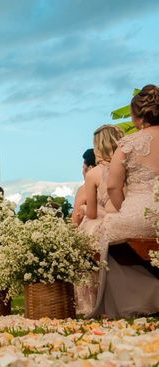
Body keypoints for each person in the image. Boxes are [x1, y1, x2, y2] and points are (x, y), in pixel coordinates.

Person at [88, 84, 159, 318]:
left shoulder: (128, 144)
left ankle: (144, 297)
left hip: (139, 216)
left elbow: (113, 186)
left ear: (137, 116)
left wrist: (125, 209)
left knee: (107, 231)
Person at [79, 126, 123, 235]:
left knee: (88, 223)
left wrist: (84, 208)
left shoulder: (93, 174)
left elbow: (92, 214)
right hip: (134, 215)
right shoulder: (130, 166)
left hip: (112, 223)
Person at [71, 149, 96, 226]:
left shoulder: (85, 189)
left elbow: (75, 222)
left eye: (83, 167)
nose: (82, 172)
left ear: (90, 168)